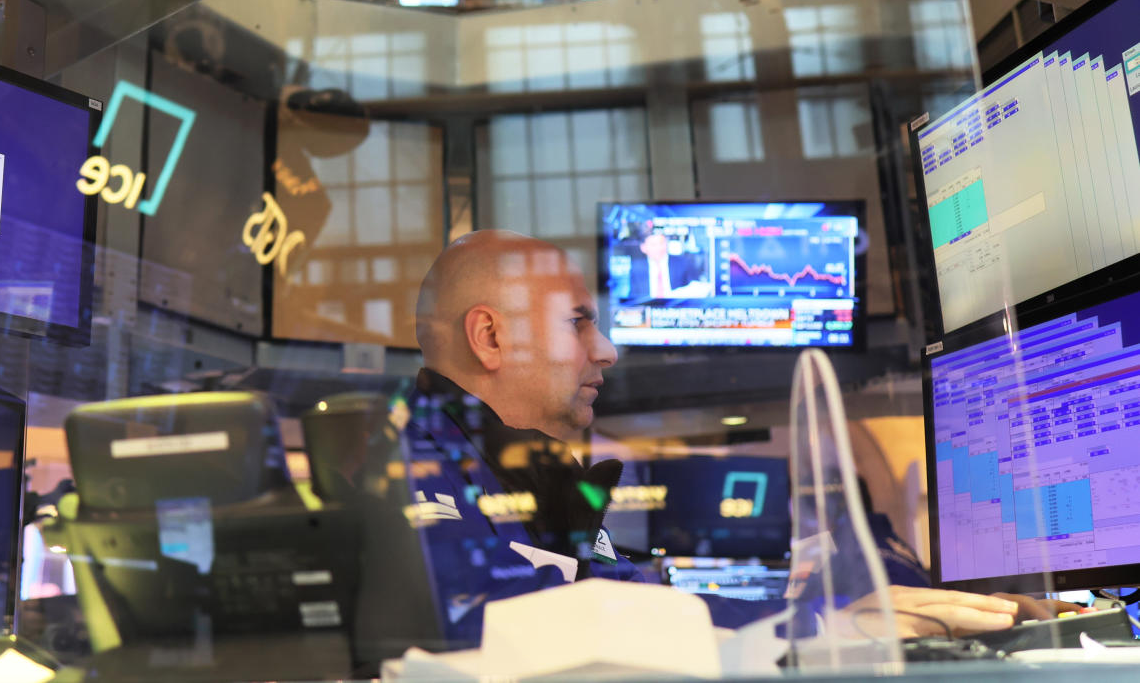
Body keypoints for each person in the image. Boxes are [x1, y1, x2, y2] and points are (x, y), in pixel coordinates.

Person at [403, 229, 1028, 644]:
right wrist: (820, 627)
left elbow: (620, 597)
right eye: (579, 324)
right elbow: (488, 622)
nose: (608, 350)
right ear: (490, 337)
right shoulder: (407, 463)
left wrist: (821, 619)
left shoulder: (521, 470)